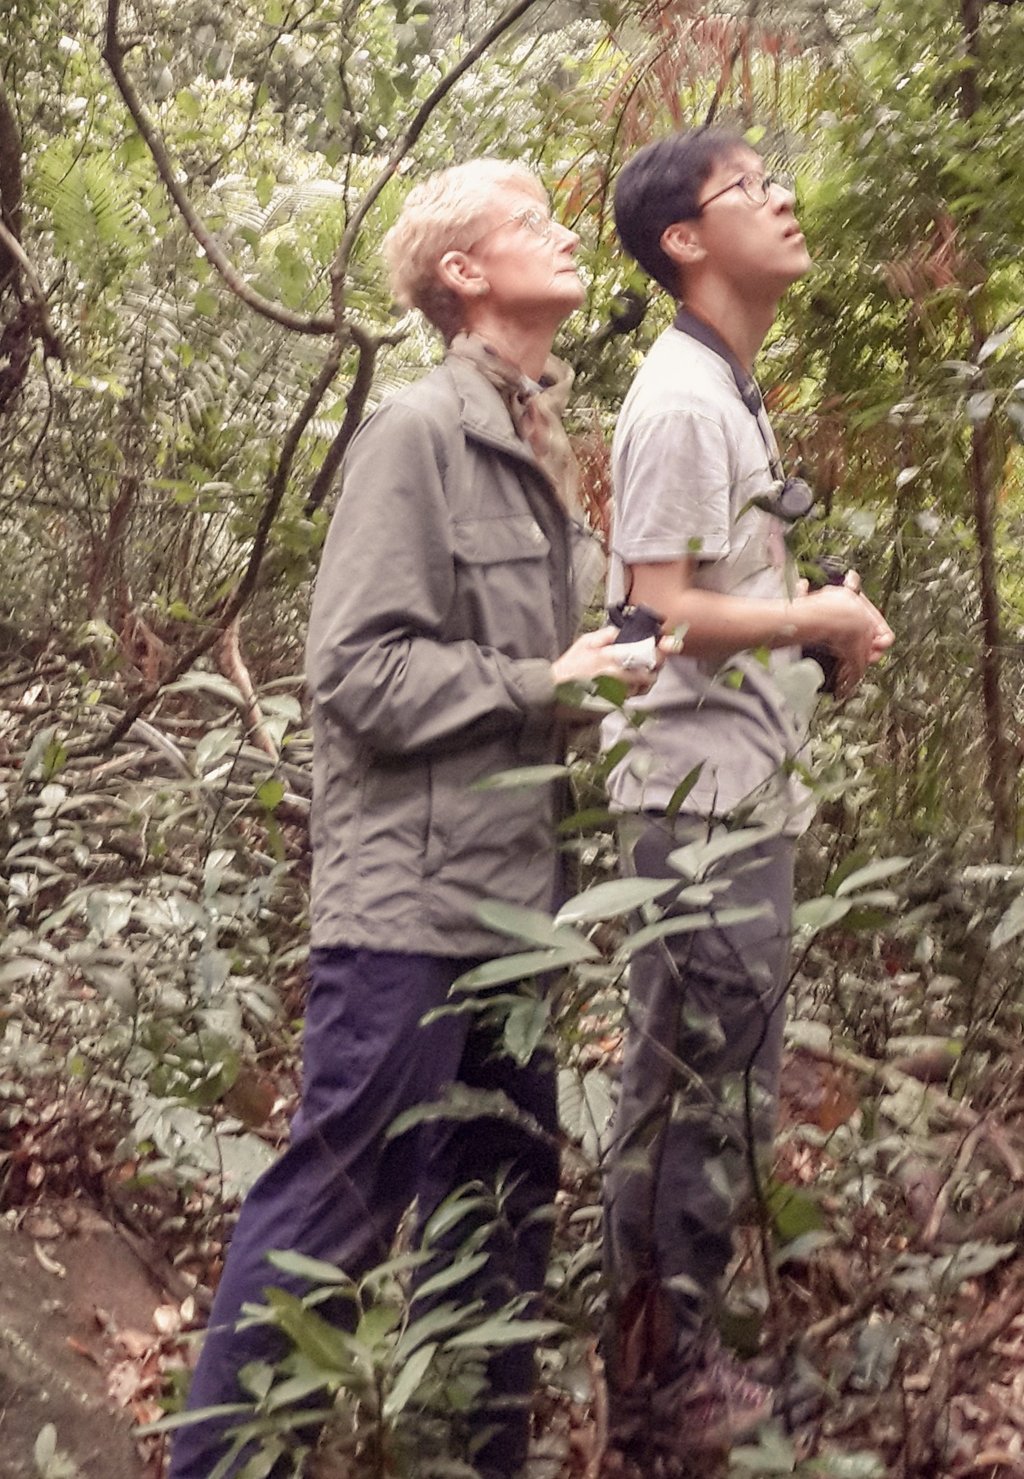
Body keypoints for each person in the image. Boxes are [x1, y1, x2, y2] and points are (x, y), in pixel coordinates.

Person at [168, 158, 655, 1479]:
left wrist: (606, 677)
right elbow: (355, 672)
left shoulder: (542, 440)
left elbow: (541, 673)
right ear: (463, 274)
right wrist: (539, 681)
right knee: (340, 1192)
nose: (564, 237)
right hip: (409, 905)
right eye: (533, 224)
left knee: (497, 1201)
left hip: (517, 900)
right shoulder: (414, 435)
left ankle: (463, 1458)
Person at [599, 128, 894, 1462]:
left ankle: (683, 1358)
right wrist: (809, 615)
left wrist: (804, 629)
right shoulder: (676, 398)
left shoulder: (731, 388)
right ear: (684, 241)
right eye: (748, 189)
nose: (781, 198)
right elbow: (650, 614)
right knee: (702, 1092)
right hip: (694, 805)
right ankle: (660, 1387)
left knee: (727, 1083)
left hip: (740, 795)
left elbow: (720, 589)